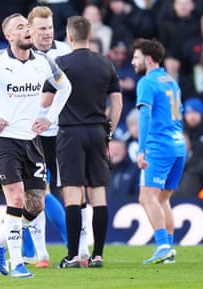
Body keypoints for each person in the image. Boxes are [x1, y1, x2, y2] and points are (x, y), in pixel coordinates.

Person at [0, 13, 71, 278]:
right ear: (9, 36)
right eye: (21, 27)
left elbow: (65, 87)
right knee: (16, 198)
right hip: (4, 140)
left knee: (36, 204)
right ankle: (16, 263)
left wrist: (50, 117)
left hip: (32, 141)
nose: (28, 30)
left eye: (27, 26)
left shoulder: (43, 62)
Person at [55, 15, 122, 268]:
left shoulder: (60, 64)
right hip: (97, 132)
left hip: (70, 132)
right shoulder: (106, 64)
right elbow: (117, 103)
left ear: (69, 36)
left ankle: (72, 255)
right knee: (98, 194)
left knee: (73, 193)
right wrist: (109, 131)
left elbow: (47, 101)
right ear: (89, 35)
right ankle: (98, 255)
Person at [18, 5, 72, 269]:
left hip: (61, 133)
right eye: (42, 29)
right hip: (32, 134)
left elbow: (68, 90)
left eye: (50, 27)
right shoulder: (22, 54)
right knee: (37, 191)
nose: (47, 33)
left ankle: (72, 246)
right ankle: (41, 253)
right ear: (31, 30)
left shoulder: (65, 52)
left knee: (61, 191)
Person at [131, 38, 186, 264]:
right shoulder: (170, 81)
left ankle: (162, 244)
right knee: (163, 200)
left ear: (149, 59)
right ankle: (169, 250)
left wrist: (142, 149)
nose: (133, 62)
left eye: (136, 57)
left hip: (159, 146)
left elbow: (144, 115)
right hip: (178, 145)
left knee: (147, 197)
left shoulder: (147, 82)